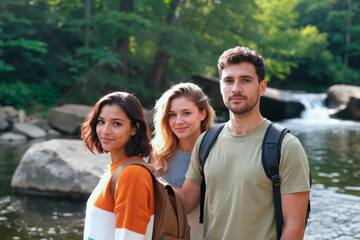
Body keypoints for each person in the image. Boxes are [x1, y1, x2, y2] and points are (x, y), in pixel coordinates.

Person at [179, 47, 311, 239]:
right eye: (229, 81)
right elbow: (184, 204)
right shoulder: (206, 141)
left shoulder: (285, 146)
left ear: (262, 87)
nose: (236, 89)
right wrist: (140, 172)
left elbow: (295, 227)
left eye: (246, 80)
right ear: (221, 86)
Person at [81, 91, 154, 240]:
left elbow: (131, 237)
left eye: (116, 123)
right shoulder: (116, 168)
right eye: (101, 121)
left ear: (134, 128)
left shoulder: (132, 175)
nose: (105, 131)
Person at [149, 82, 215, 240]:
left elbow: (184, 204)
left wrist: (149, 179)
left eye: (186, 113)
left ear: (203, 114)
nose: (178, 121)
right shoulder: (155, 153)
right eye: (172, 114)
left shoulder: (215, 153)